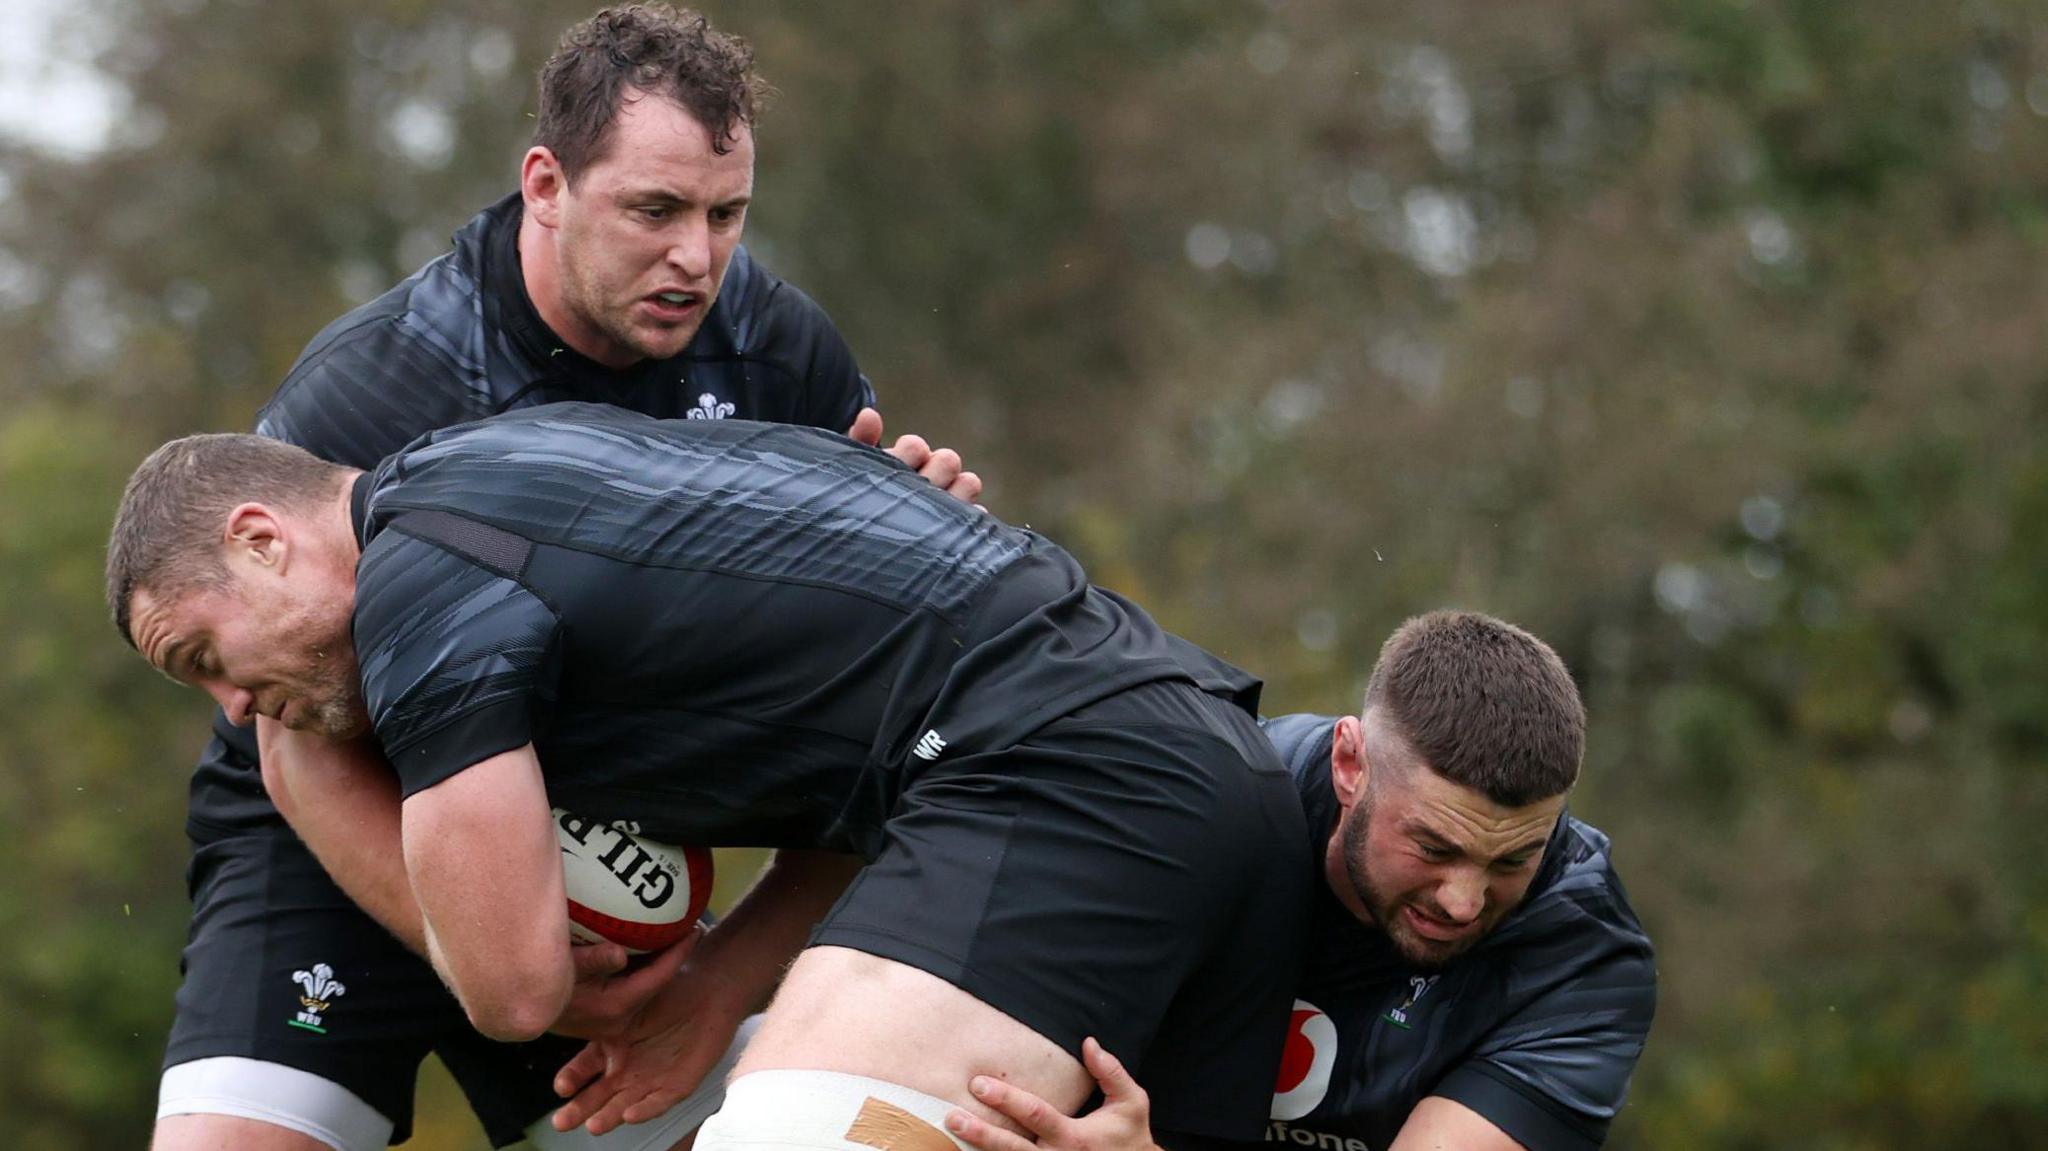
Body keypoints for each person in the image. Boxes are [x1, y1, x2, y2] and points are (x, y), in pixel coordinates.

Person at [154, 7, 977, 1151]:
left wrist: (722, 978)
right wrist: (490, 944)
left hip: (607, 860)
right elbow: (283, 730)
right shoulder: (374, 392)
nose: (696, 256)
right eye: (653, 210)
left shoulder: (783, 359)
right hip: (343, 831)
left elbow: (888, 713)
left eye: (725, 214)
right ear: (545, 183)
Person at [107, 406, 1314, 1151]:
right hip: (1213, 765)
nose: (232, 705)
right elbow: (884, 702)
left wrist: (307, 780)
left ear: (265, 540)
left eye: (206, 656)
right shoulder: (525, 458)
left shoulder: (419, 583)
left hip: (1060, 774)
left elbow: (517, 988)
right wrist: (722, 977)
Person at [944, 612, 1657, 1151]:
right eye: (1433, 846)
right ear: (1350, 764)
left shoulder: (1582, 958)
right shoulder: (1198, 810)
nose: (1464, 900)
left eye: (1513, 860)